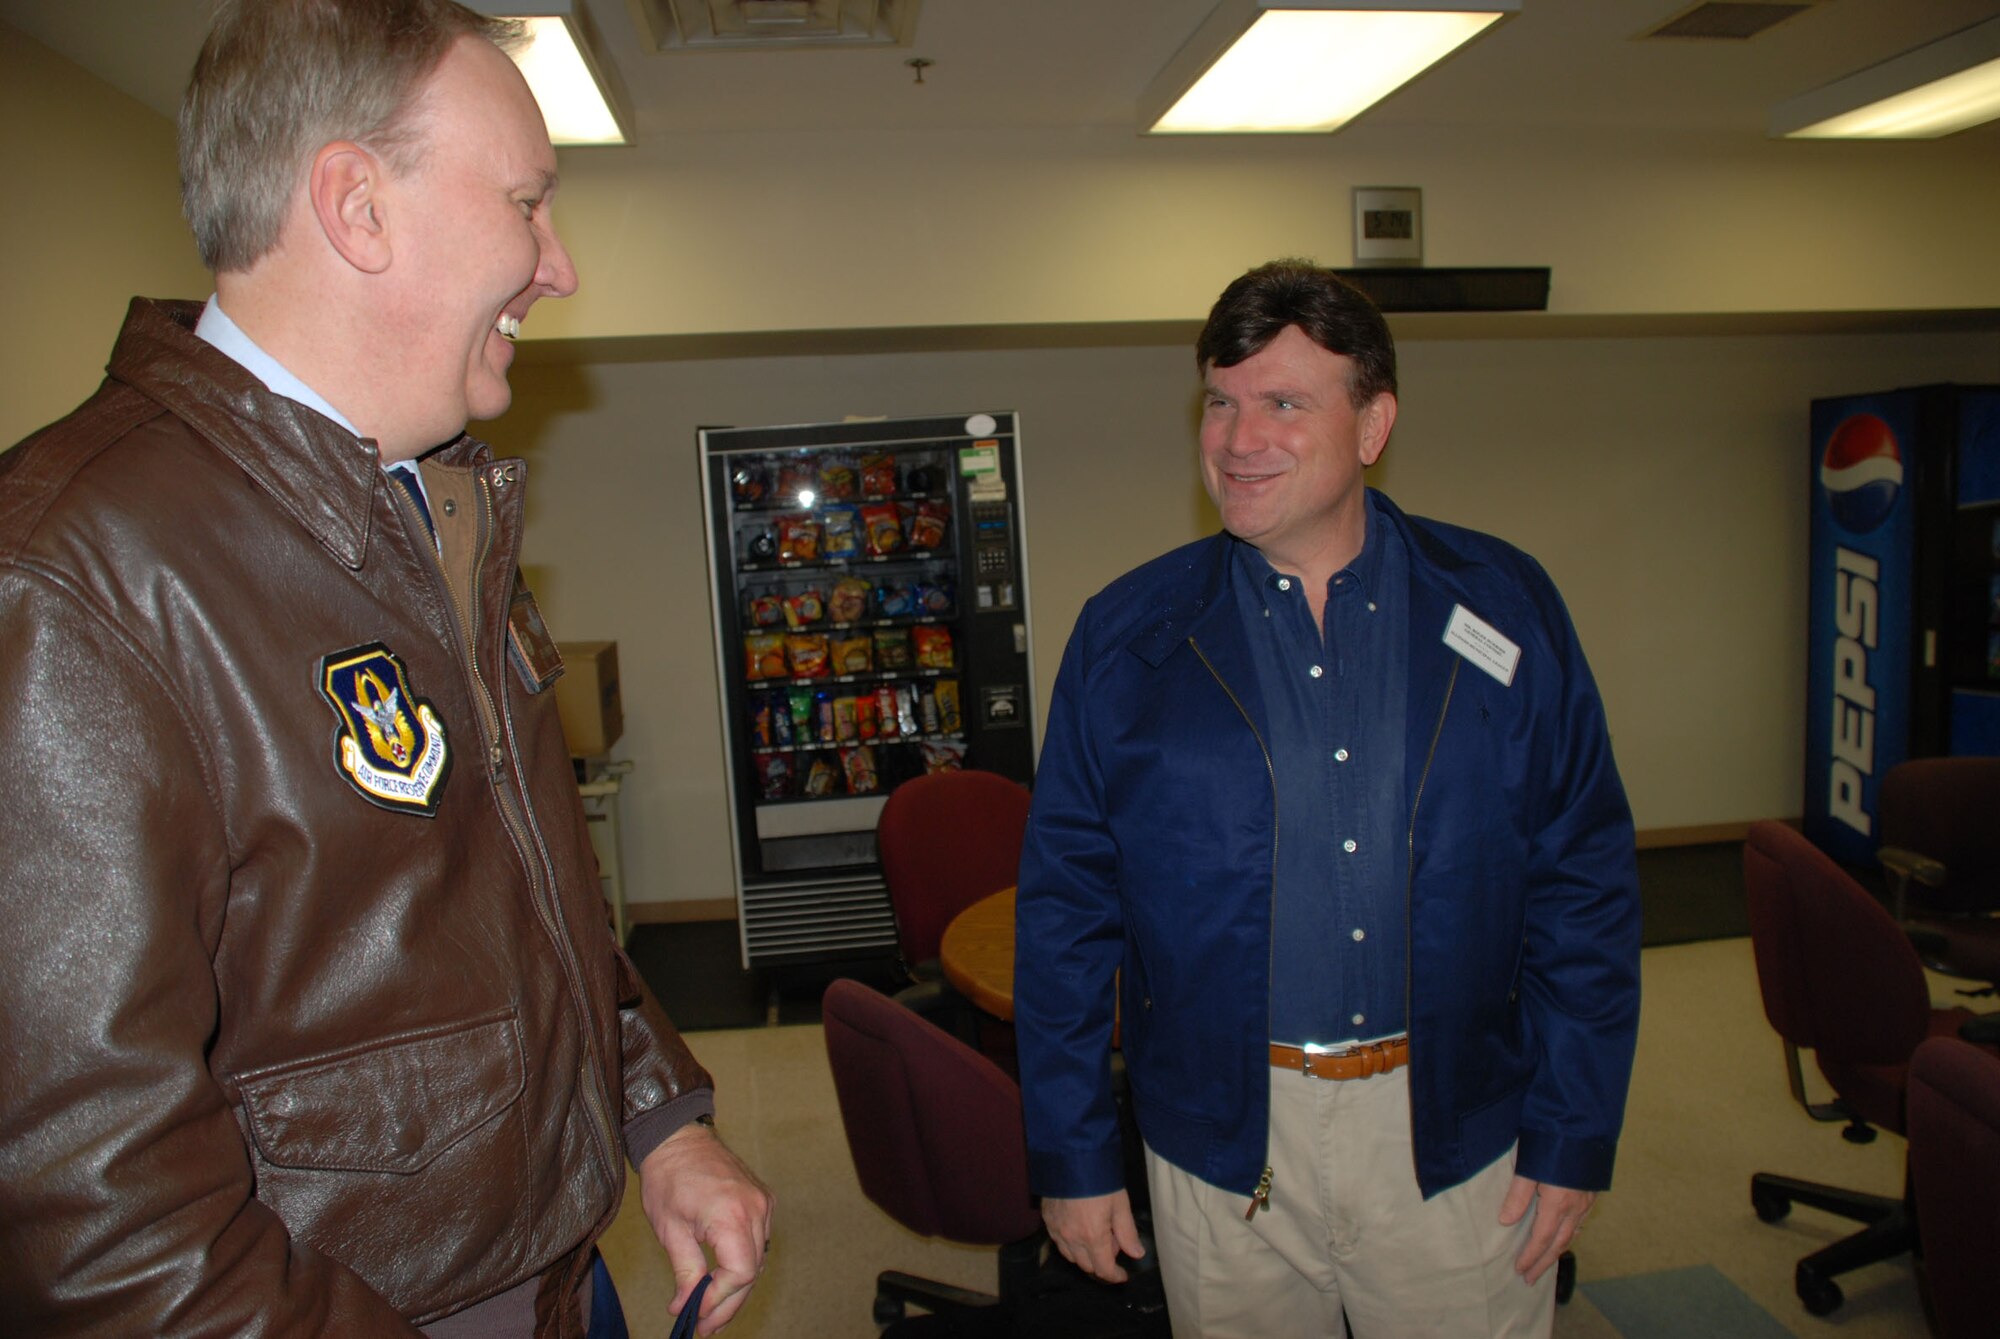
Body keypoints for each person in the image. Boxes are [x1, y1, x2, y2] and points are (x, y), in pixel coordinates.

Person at [0, 2, 771, 1335]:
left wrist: (657, 1118)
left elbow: (532, 871)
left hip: (550, 1261)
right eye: (528, 205)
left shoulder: (433, 507)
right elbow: (98, 1217)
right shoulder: (74, 575)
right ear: (357, 206)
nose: (559, 266)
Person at [1013, 259, 1641, 1338]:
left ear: (1372, 423)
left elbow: (1581, 882)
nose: (1237, 438)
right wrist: (1072, 1155)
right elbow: (1066, 912)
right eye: (1219, 401)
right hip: (1222, 1140)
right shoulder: (1128, 638)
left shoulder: (1501, 605)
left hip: (1453, 1127)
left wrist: (1572, 1128)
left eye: (1284, 402)